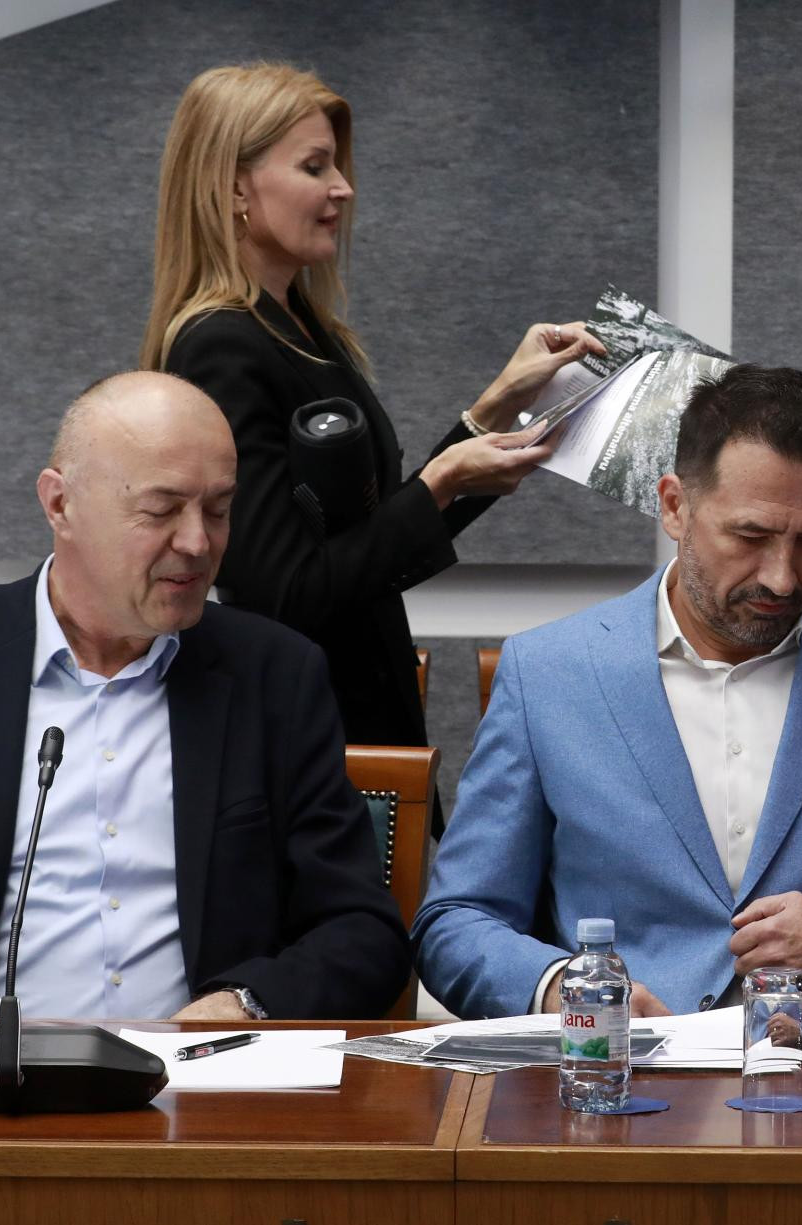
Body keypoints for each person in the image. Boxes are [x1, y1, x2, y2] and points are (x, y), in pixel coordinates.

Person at [412, 364, 802, 1022]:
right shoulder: (547, 672)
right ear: (674, 506)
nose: (782, 578)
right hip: (618, 1070)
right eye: (751, 536)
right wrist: (566, 991)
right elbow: (456, 922)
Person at [0, 372, 409, 1020]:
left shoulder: (275, 676)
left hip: (194, 1073)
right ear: (59, 504)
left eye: (218, 509)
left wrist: (245, 1003)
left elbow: (362, 933)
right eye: (162, 510)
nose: (197, 543)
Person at [142, 63, 606, 747]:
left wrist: (499, 404)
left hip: (360, 711)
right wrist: (443, 481)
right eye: (314, 167)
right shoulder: (221, 346)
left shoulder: (299, 325)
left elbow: (372, 529)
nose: (343, 188)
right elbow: (285, 594)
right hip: (308, 742)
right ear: (235, 186)